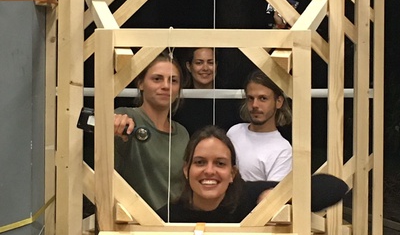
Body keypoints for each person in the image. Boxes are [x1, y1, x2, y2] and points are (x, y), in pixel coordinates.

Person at [157, 126, 349, 222]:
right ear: (186, 170)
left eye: (220, 163)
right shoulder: (167, 216)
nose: (209, 171)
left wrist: (283, 197)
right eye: (200, 162)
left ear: (232, 173)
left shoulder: (250, 196)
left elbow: (335, 187)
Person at [114, 51, 189, 211]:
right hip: (134, 220)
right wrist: (113, 125)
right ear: (141, 83)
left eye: (173, 80)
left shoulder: (182, 133)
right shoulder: (126, 117)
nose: (166, 86)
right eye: (157, 79)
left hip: (175, 221)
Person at [227, 69, 292, 182]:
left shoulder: (283, 150)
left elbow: (273, 192)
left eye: (263, 98)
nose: (255, 105)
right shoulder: (234, 131)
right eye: (250, 98)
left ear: (279, 102)